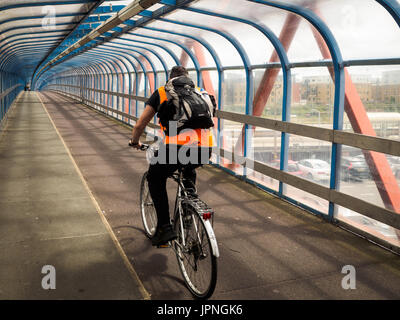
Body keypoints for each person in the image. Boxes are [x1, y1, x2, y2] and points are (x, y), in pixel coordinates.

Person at [129, 66, 215, 246]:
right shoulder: (200, 92)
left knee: (155, 178)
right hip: (204, 148)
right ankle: (188, 213)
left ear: (170, 79)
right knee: (189, 168)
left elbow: (140, 124)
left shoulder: (162, 92)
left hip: (176, 147)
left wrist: (135, 141)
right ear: (187, 78)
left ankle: (164, 228)